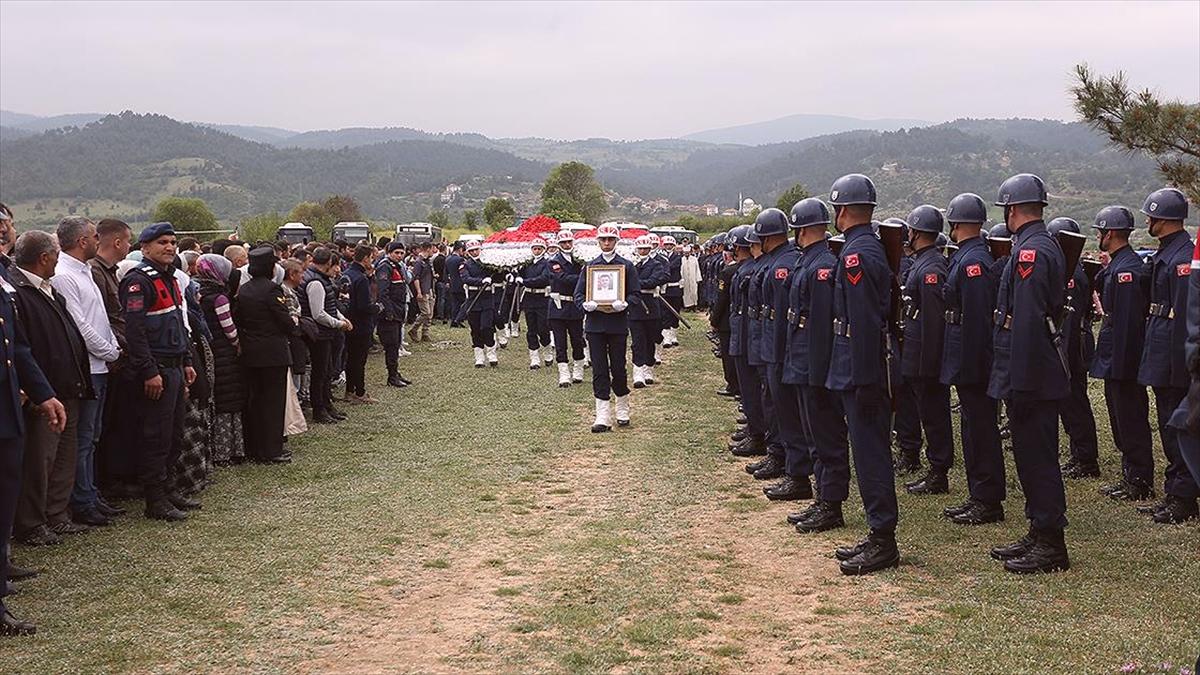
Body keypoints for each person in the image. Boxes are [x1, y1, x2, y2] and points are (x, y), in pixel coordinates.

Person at [987, 173, 1071, 574]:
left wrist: (1017, 381)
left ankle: (1051, 542)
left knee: (1038, 458)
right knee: (1030, 455)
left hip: (1031, 372)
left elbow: (1027, 321)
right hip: (1030, 368)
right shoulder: (1034, 245)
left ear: (1010, 209)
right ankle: (1039, 530)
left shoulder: (1031, 253)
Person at [824, 174, 900, 575]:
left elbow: (866, 322)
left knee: (871, 454)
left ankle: (884, 539)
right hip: (860, 364)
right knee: (867, 451)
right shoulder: (864, 248)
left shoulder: (858, 254)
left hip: (864, 367)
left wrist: (867, 379)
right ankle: (877, 534)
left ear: (844, 210)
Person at [1, 226, 67, 636]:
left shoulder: (4, 281)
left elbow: (18, 347)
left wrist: (44, 394)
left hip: (6, 410)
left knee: (4, 501)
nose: (3, 233)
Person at [9, 230, 93, 543]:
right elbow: (22, 348)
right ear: (44, 258)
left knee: (64, 457)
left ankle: (57, 515)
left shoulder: (50, 290)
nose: (59, 260)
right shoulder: (18, 293)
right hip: (44, 393)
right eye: (56, 255)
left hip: (67, 387)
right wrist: (37, 390)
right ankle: (31, 523)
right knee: (39, 460)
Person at [118, 222, 198, 521]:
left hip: (176, 366)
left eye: (173, 242)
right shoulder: (139, 282)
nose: (169, 247)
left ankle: (169, 488)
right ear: (145, 247)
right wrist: (149, 370)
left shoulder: (170, 279)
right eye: (162, 242)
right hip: (157, 371)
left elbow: (178, 324)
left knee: (174, 434)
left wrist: (188, 360)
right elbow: (135, 333)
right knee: (156, 436)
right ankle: (155, 500)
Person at [50, 217, 122, 528]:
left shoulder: (84, 271)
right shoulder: (65, 275)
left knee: (92, 437)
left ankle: (91, 494)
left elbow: (100, 318)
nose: (98, 241)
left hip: (100, 365)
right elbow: (81, 327)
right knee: (82, 439)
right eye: (95, 236)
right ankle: (81, 501)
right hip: (89, 368)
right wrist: (110, 351)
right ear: (82, 241)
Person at [939, 195, 1006, 524]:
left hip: (972, 358)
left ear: (956, 223)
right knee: (971, 427)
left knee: (981, 429)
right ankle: (979, 493)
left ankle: (988, 498)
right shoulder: (968, 257)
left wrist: (975, 364)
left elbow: (978, 319)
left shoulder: (974, 261)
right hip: (965, 356)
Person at [783, 199, 847, 531]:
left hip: (815, 363)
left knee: (825, 435)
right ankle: (823, 498)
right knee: (813, 434)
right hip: (803, 359)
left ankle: (831, 503)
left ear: (804, 228)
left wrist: (820, 371)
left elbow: (822, 323)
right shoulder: (809, 260)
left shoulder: (822, 265)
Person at [1136, 187, 1198, 523]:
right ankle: (1175, 490)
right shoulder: (1168, 254)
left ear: (1161, 218)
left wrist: (1181, 365)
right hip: (1161, 351)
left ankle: (1185, 497)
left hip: (1174, 358)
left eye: (1151, 215)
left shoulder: (1182, 260)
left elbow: (1185, 316)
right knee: (1167, 425)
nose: (1147, 220)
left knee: (1178, 428)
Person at [1090, 205, 1154, 503]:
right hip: (1115, 354)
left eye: (1101, 232)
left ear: (1111, 233)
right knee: (1119, 416)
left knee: (1129, 417)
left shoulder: (1126, 269)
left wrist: (1123, 365)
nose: (1099, 237)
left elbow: (1127, 322)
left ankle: (1139, 479)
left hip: (1123, 357)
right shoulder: (1117, 265)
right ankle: (1131, 473)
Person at [750, 208, 811, 502]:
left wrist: (781, 352)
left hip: (780, 348)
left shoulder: (783, 264)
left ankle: (796, 471)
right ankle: (783, 459)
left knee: (786, 412)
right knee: (775, 406)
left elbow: (787, 313)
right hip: (771, 345)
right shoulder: (776, 261)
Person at [899, 206, 955, 496]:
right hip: (916, 353)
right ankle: (935, 468)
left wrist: (933, 363)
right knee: (927, 412)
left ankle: (938, 472)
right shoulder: (923, 261)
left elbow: (934, 319)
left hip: (925, 357)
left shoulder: (931, 267)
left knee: (934, 415)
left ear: (917, 231)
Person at [1046, 217, 1101, 480]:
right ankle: (1079, 455)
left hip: (1071, 349)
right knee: (1070, 405)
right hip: (1071, 347)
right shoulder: (1072, 271)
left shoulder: (1072, 276)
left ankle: (1086, 460)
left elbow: (1069, 320)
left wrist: (1062, 357)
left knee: (1075, 404)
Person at [574, 223, 640, 432]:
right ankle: (602, 414)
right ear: (598, 241)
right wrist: (585, 305)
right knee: (599, 369)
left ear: (616, 241)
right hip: (595, 325)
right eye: (603, 239)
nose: (606, 242)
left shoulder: (627, 266)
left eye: (610, 239)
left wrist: (626, 302)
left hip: (617, 324)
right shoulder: (590, 266)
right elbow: (578, 295)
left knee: (618, 367)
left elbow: (636, 294)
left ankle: (622, 407)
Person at [88, 218, 135, 505]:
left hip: (117, 355)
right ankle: (103, 484)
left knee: (110, 426)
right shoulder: (95, 272)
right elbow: (102, 318)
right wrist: (114, 349)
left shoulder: (110, 271)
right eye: (128, 241)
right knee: (100, 430)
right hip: (107, 357)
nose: (130, 246)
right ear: (117, 242)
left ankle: (108, 483)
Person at [236, 246, 295, 463]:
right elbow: (283, 319)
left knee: (256, 400)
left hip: (252, 351)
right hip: (272, 352)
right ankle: (272, 449)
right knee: (273, 402)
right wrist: (293, 325)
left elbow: (239, 318)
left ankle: (255, 447)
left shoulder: (244, 289)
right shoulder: (272, 290)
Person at [194, 253, 246, 465]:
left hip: (208, 349)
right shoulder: (220, 298)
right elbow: (229, 329)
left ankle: (215, 450)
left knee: (217, 400)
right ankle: (228, 450)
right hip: (224, 352)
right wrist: (238, 344)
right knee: (229, 401)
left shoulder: (198, 293)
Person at [727, 226, 768, 459]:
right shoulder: (745, 270)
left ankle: (757, 433)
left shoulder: (750, 270)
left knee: (753, 388)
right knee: (749, 388)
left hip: (748, 334)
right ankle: (754, 429)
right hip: (743, 332)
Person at [299, 247, 352, 424]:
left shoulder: (322, 279)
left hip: (325, 333)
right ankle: (319, 409)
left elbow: (330, 305)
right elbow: (318, 313)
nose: (337, 269)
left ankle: (327, 405)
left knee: (327, 370)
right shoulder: (316, 282)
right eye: (335, 265)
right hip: (319, 334)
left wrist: (342, 317)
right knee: (320, 373)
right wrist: (339, 324)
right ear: (328, 264)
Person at [342, 244, 380, 404]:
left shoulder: (346, 274)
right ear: (365, 259)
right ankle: (360, 392)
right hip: (361, 324)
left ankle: (349, 391)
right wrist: (377, 308)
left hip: (347, 321)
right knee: (359, 360)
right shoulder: (361, 278)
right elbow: (364, 306)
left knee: (350, 359)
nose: (372, 260)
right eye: (371, 257)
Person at [547, 231, 586, 386]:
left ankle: (578, 370)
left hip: (575, 306)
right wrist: (585, 277)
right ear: (558, 244)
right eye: (563, 243)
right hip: (559, 307)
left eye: (569, 242)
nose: (567, 245)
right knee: (560, 342)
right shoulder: (553, 262)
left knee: (577, 340)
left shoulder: (580, 261)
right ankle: (564, 374)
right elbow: (562, 278)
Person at [629, 235, 668, 388]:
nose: (643, 251)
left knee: (651, 338)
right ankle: (638, 371)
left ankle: (648, 367)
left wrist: (635, 284)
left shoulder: (656, 264)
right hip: (635, 306)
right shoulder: (631, 264)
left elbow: (655, 280)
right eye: (641, 249)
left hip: (651, 305)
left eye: (646, 248)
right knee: (638, 340)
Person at [375, 242, 412, 387]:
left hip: (398, 309)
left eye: (402, 253)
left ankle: (395, 372)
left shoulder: (397, 266)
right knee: (391, 345)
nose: (400, 255)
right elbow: (383, 293)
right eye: (396, 252)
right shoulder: (385, 266)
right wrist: (389, 312)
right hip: (390, 313)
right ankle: (392, 376)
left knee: (396, 344)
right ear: (389, 252)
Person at [515, 238, 554, 369]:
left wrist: (525, 281)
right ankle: (534, 358)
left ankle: (547, 349)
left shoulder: (548, 263)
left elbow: (543, 279)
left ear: (543, 250)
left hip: (542, 298)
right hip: (529, 298)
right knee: (531, 329)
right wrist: (513, 274)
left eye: (539, 248)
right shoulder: (527, 263)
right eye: (534, 248)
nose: (536, 251)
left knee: (543, 328)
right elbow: (518, 274)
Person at [708, 234, 739, 398]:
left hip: (726, 320)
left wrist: (714, 320)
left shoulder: (727, 272)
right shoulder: (742, 268)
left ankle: (732, 385)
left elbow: (721, 299)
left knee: (728, 355)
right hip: (738, 319)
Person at [459, 240, 498, 367]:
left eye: (476, 250)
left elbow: (498, 275)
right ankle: (479, 357)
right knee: (475, 329)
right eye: (471, 251)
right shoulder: (465, 265)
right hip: (473, 299)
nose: (474, 253)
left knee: (486, 327)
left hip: (487, 299)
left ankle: (491, 352)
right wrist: (481, 281)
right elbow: (466, 279)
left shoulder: (488, 263)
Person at [660, 236, 684, 347]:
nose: (668, 247)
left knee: (675, 311)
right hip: (665, 288)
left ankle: (674, 335)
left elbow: (671, 267)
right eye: (666, 245)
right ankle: (667, 337)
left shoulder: (678, 257)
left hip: (675, 288)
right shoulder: (661, 257)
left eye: (670, 245)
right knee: (665, 313)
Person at [410, 243, 434, 342]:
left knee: (430, 313)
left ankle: (425, 333)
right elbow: (416, 278)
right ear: (428, 249)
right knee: (425, 312)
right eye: (432, 249)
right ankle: (414, 329)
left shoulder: (427, 261)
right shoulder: (419, 262)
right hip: (423, 290)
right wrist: (419, 292)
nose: (433, 251)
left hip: (429, 289)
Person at [445, 242, 466, 327]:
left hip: (452, 283)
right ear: (460, 249)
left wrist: (446, 282)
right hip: (460, 284)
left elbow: (445, 272)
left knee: (455, 304)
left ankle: (454, 320)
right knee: (466, 302)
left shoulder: (448, 259)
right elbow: (462, 272)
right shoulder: (460, 260)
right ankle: (458, 318)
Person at [682, 244, 702, 308]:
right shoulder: (682, 259)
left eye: (687, 253)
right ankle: (687, 306)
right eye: (685, 253)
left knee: (694, 291)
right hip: (685, 278)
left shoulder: (694, 259)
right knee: (686, 292)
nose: (686, 254)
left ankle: (694, 305)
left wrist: (698, 278)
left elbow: (697, 269)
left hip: (693, 278)